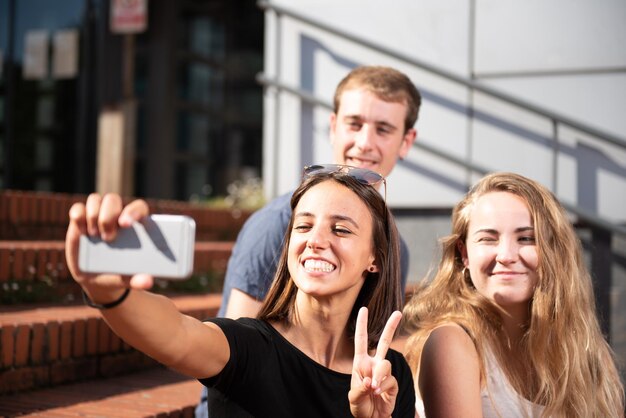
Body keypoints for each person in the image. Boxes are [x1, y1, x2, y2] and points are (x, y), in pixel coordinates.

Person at [65, 165, 416, 417]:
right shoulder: (248, 346)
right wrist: (108, 293)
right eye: (304, 225)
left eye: (340, 230)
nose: (315, 241)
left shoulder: (388, 373)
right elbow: (176, 335)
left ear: (375, 258)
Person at [400, 172, 625, 418]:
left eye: (526, 238)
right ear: (464, 254)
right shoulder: (452, 342)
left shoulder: (588, 350)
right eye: (488, 239)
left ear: (554, 251)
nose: (506, 255)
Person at [219, 65, 421, 320]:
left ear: (406, 142)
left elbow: (372, 343)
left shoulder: (395, 247)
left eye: (383, 129)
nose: (365, 143)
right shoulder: (278, 223)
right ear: (334, 127)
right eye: (354, 124)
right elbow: (236, 349)